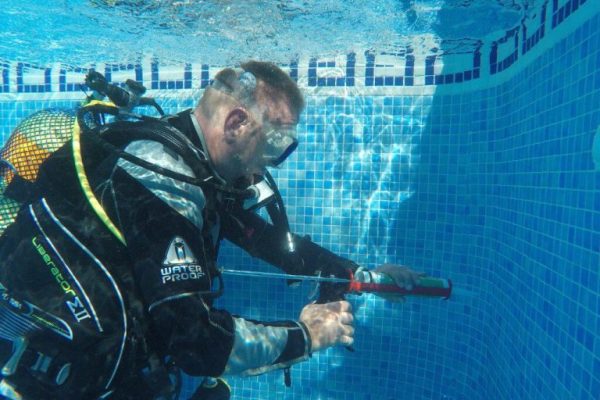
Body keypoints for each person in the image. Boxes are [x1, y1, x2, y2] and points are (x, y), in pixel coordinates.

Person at [0, 61, 422, 400]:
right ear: (236, 123)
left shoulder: (193, 162)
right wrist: (307, 336)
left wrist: (356, 275)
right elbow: (196, 343)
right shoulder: (162, 177)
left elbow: (263, 239)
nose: (272, 163)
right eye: (276, 144)